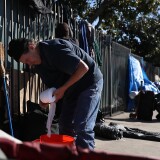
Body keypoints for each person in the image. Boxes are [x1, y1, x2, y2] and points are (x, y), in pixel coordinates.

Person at [8, 38, 103, 150]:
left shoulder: (54, 49)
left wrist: (62, 89)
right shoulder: (38, 65)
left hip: (89, 83)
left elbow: (83, 68)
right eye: (26, 63)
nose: (29, 64)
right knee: (65, 124)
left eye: (28, 60)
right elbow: (55, 85)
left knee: (83, 126)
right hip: (71, 89)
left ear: (31, 47)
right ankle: (69, 154)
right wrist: (47, 98)